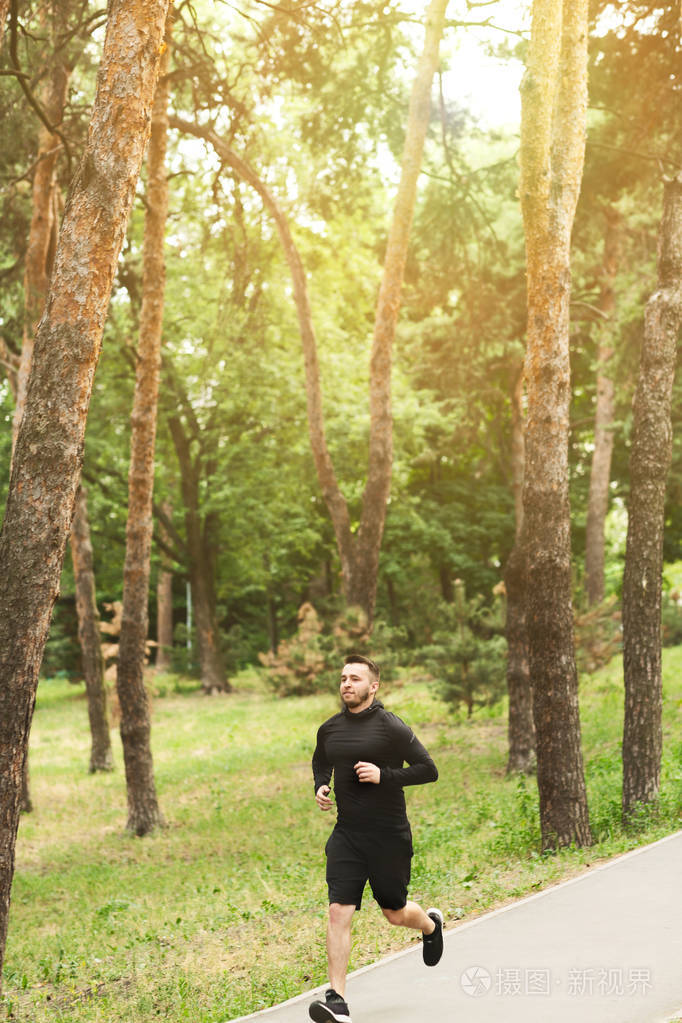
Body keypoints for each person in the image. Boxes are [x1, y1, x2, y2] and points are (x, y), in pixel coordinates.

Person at [309, 654, 443, 1023]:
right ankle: (337, 999)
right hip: (347, 835)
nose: (347, 684)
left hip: (388, 836)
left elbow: (428, 770)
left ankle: (430, 925)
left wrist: (385, 776)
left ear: (373, 686)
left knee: (395, 912)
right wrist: (322, 784)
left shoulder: (390, 727)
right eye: (342, 678)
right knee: (339, 911)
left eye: (355, 678)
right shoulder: (330, 729)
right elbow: (321, 760)